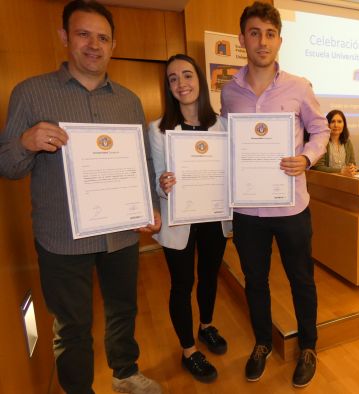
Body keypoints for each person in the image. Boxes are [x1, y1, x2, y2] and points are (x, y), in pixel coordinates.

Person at [0, 1, 162, 393]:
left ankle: (125, 373)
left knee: (123, 309)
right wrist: (26, 142)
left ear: (113, 44)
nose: (94, 45)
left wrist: (151, 204)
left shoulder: (128, 101)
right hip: (62, 236)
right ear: (64, 38)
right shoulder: (31, 93)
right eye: (83, 34)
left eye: (103, 37)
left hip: (121, 232)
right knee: (71, 325)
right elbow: (8, 165)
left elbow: (141, 160)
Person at [220, 1, 330, 388]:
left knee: (302, 279)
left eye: (269, 34)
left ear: (279, 40)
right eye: (254, 33)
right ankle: (263, 343)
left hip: (292, 206)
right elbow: (225, 144)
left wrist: (306, 157)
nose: (262, 42)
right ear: (242, 39)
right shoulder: (228, 92)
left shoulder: (299, 86)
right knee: (256, 281)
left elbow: (321, 130)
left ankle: (309, 346)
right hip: (248, 211)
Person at [148, 54, 228, 384]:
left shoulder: (221, 124)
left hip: (212, 215)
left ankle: (206, 326)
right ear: (168, 88)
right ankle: (188, 350)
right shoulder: (158, 128)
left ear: (199, 81)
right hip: (180, 220)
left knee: (210, 276)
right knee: (182, 285)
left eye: (187, 75)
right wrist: (163, 184)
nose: (181, 84)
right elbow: (156, 178)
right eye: (173, 79)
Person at [312, 110, 356, 176]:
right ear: (327, 124)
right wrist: (340, 171)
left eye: (339, 122)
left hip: (346, 180)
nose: (336, 125)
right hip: (326, 180)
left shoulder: (347, 142)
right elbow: (318, 167)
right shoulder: (322, 141)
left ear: (344, 124)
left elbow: (352, 163)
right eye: (333, 122)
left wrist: (352, 168)